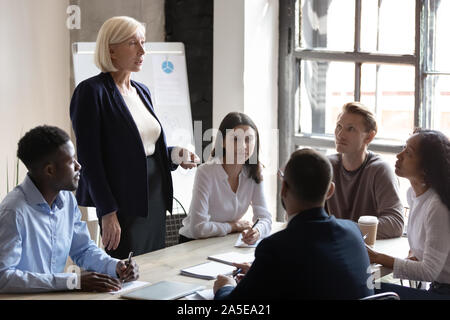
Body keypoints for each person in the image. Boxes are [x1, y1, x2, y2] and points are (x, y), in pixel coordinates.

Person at [69, 16, 199, 259]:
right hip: (122, 202)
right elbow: (91, 161)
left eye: (143, 42)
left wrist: (174, 154)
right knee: (127, 272)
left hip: (155, 195)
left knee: (154, 265)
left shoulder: (142, 91)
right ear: (111, 50)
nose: (142, 50)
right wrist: (107, 212)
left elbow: (144, 146)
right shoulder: (91, 92)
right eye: (133, 43)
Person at [213, 148, 373, 299]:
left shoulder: (275, 248)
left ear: (283, 189)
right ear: (330, 191)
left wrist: (225, 287)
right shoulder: (354, 232)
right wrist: (260, 275)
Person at [0, 126, 139, 293]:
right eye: (71, 161)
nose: (78, 166)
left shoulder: (67, 200)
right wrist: (72, 281)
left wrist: (116, 265)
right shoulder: (13, 212)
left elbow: (83, 249)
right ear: (50, 170)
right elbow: (3, 277)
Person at [367, 129, 450, 300]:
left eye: (408, 153)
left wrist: (377, 257)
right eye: (404, 148)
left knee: (370, 287)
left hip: (444, 292)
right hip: (437, 288)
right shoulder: (413, 195)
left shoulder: (437, 206)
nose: (399, 155)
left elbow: (429, 271)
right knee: (369, 285)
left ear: (426, 168)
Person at [178, 112, 271, 245]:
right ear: (222, 141)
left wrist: (257, 231)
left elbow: (265, 218)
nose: (243, 146)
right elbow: (198, 228)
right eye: (235, 139)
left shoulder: (254, 172)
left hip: (224, 241)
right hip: (193, 243)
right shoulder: (206, 172)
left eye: (248, 139)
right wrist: (233, 226)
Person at [326, 102, 404, 239]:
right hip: (334, 248)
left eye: (350, 129)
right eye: (339, 126)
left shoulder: (379, 170)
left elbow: (395, 224)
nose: (340, 134)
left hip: (368, 253)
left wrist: (343, 229)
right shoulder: (327, 166)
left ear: (369, 137)